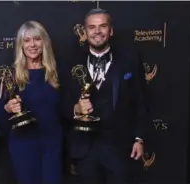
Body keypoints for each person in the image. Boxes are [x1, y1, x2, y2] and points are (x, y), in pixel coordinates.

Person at [62, 8, 149, 183]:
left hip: (119, 146)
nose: (97, 32)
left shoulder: (129, 60)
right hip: (85, 149)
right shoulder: (70, 62)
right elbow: (59, 102)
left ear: (111, 30)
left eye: (102, 26)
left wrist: (139, 138)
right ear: (85, 32)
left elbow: (141, 101)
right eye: (92, 27)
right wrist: (75, 108)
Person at [0, 20, 63, 184]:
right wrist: (7, 108)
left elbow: (65, 109)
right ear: (21, 45)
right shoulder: (11, 75)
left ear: (44, 42)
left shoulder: (56, 73)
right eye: (27, 40)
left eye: (37, 39)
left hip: (52, 145)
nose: (32, 44)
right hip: (23, 145)